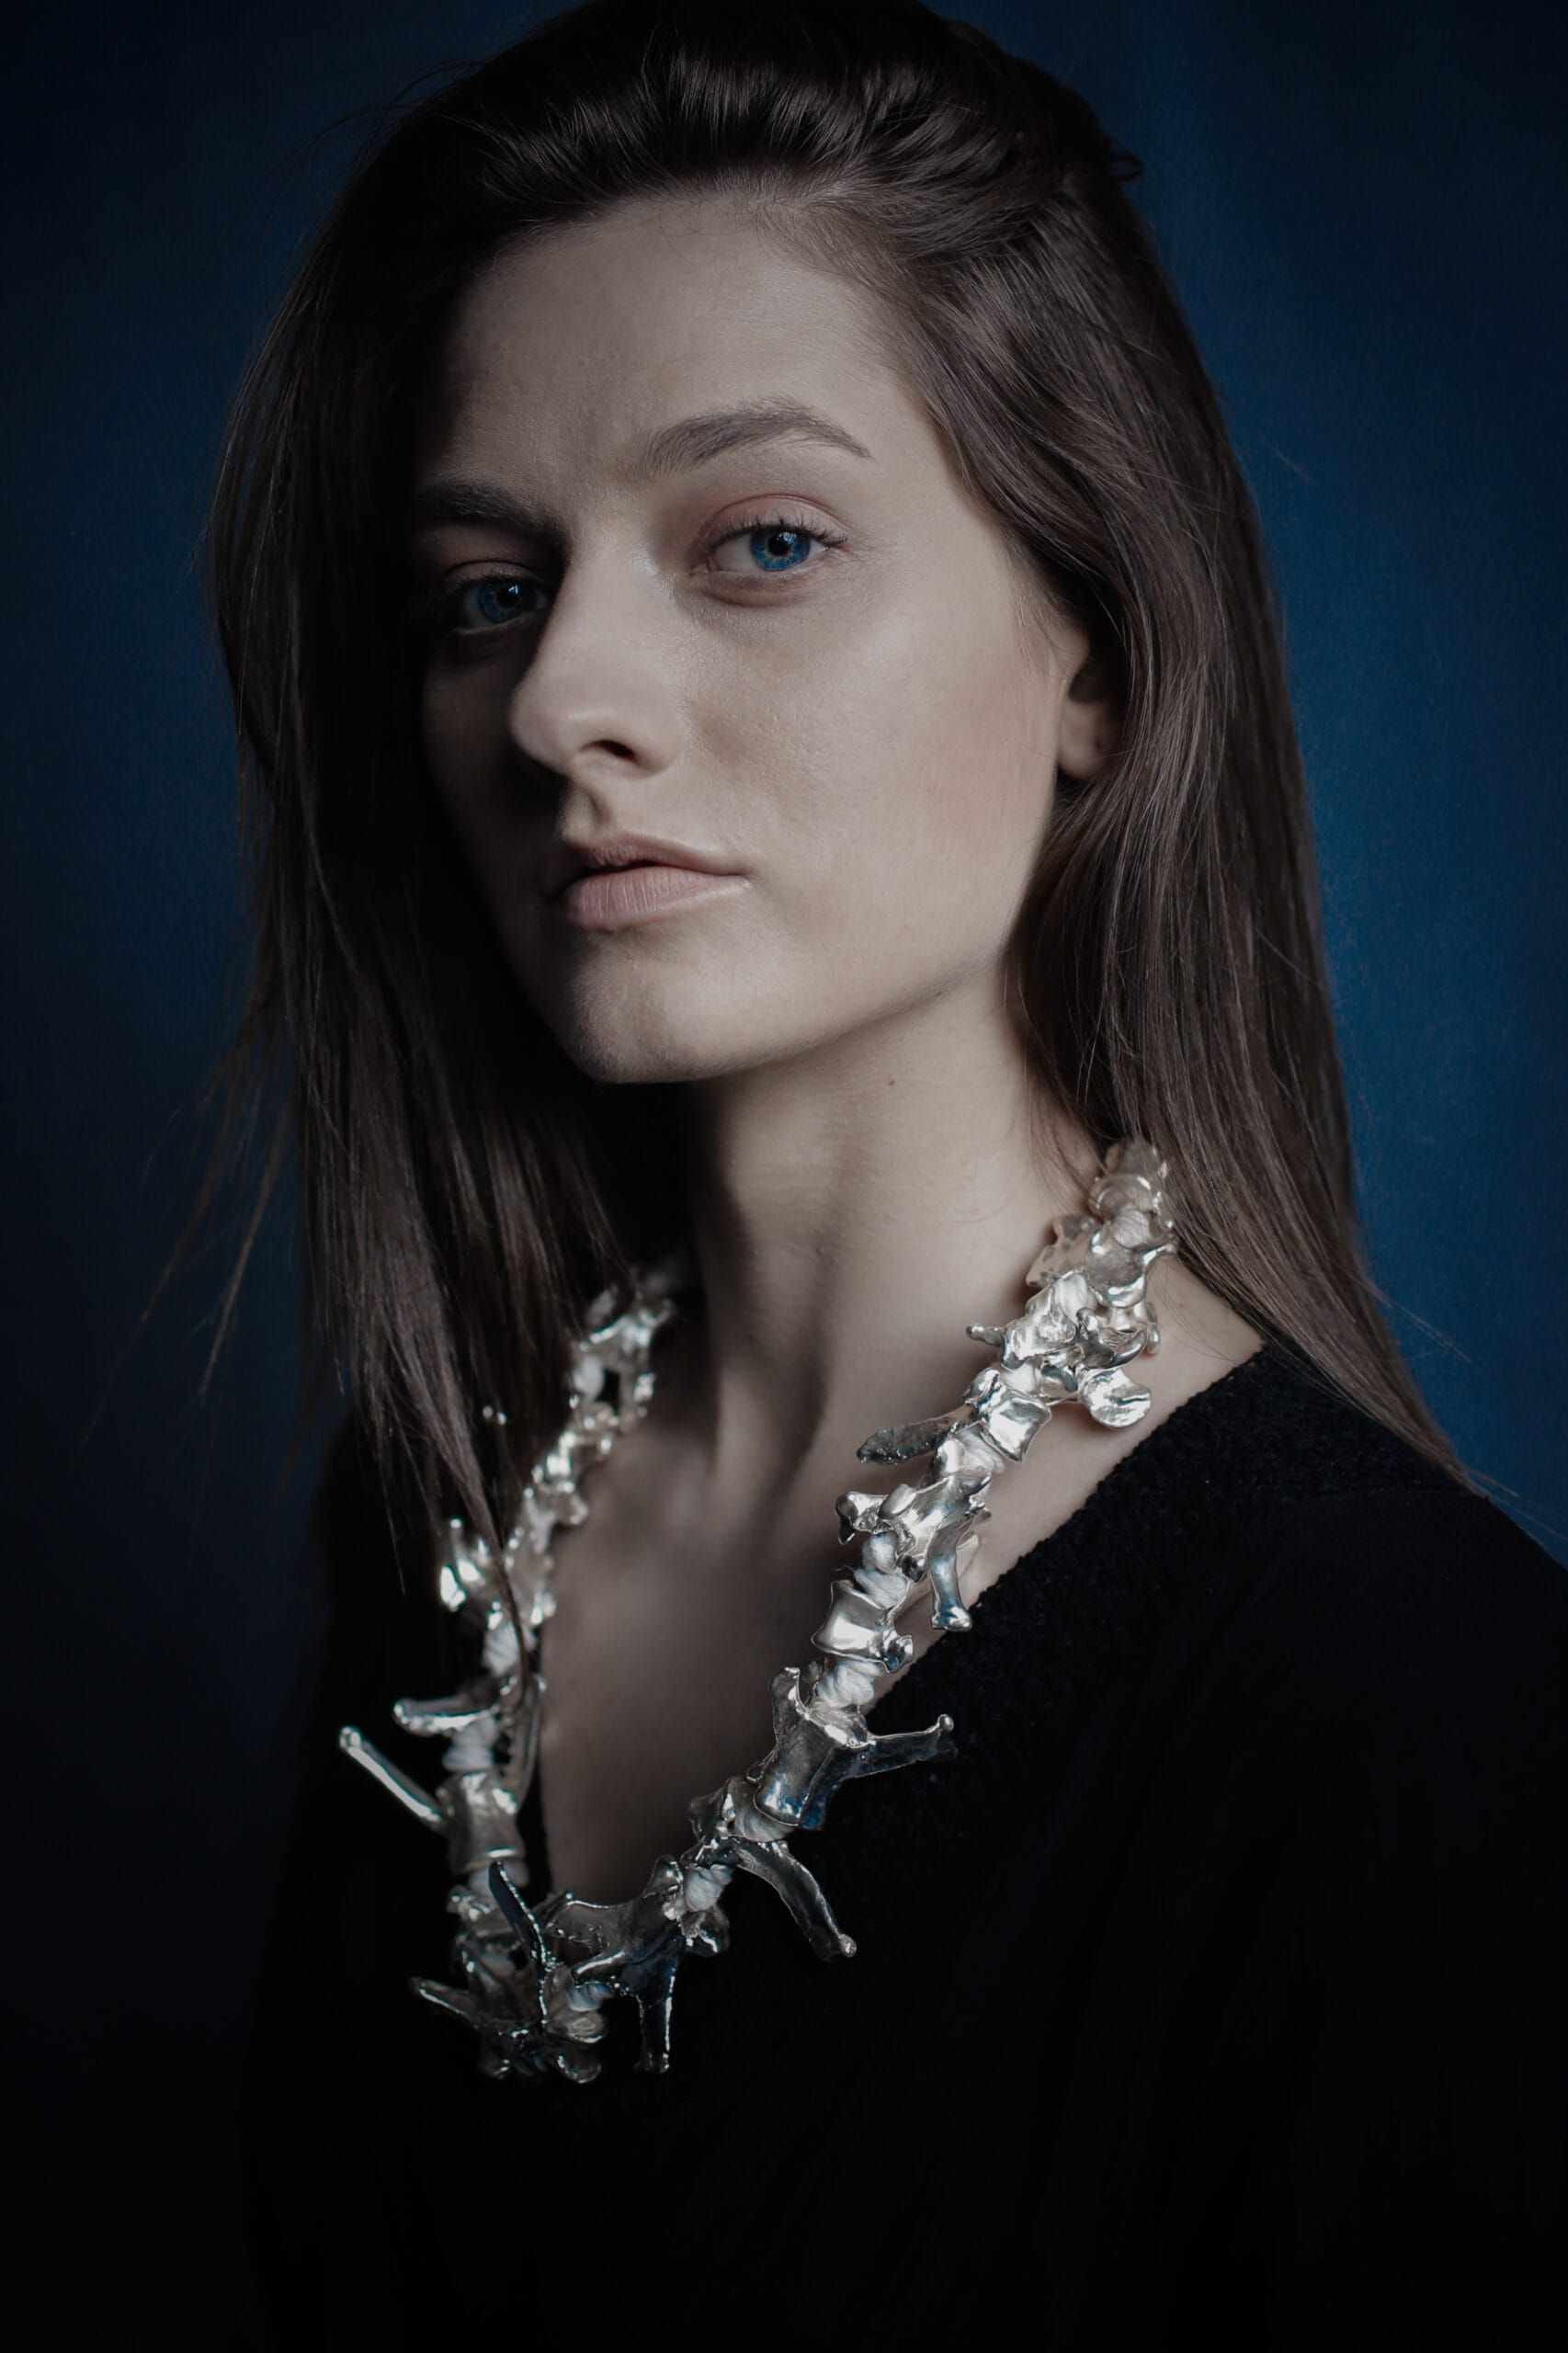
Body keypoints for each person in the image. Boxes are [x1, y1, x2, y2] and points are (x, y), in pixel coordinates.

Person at [217, 3, 1567, 2342]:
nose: (557, 699)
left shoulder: (1398, 1703)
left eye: (761, 541)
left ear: (1099, 652)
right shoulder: (433, 1511)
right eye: (484, 591)